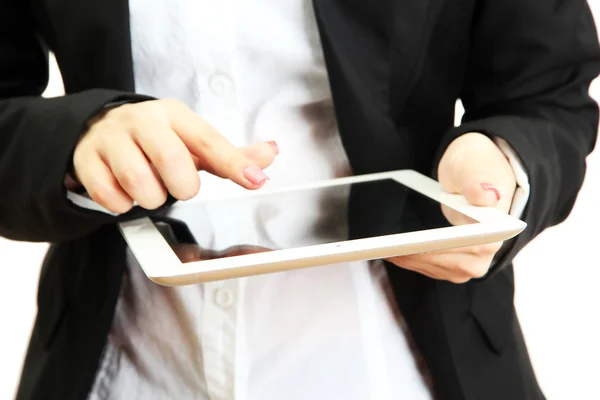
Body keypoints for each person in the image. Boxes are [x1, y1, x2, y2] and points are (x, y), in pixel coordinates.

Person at [1, 0, 599, 399]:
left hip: (405, 367)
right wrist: (78, 141)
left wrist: (503, 165)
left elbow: (547, 91)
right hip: (119, 364)